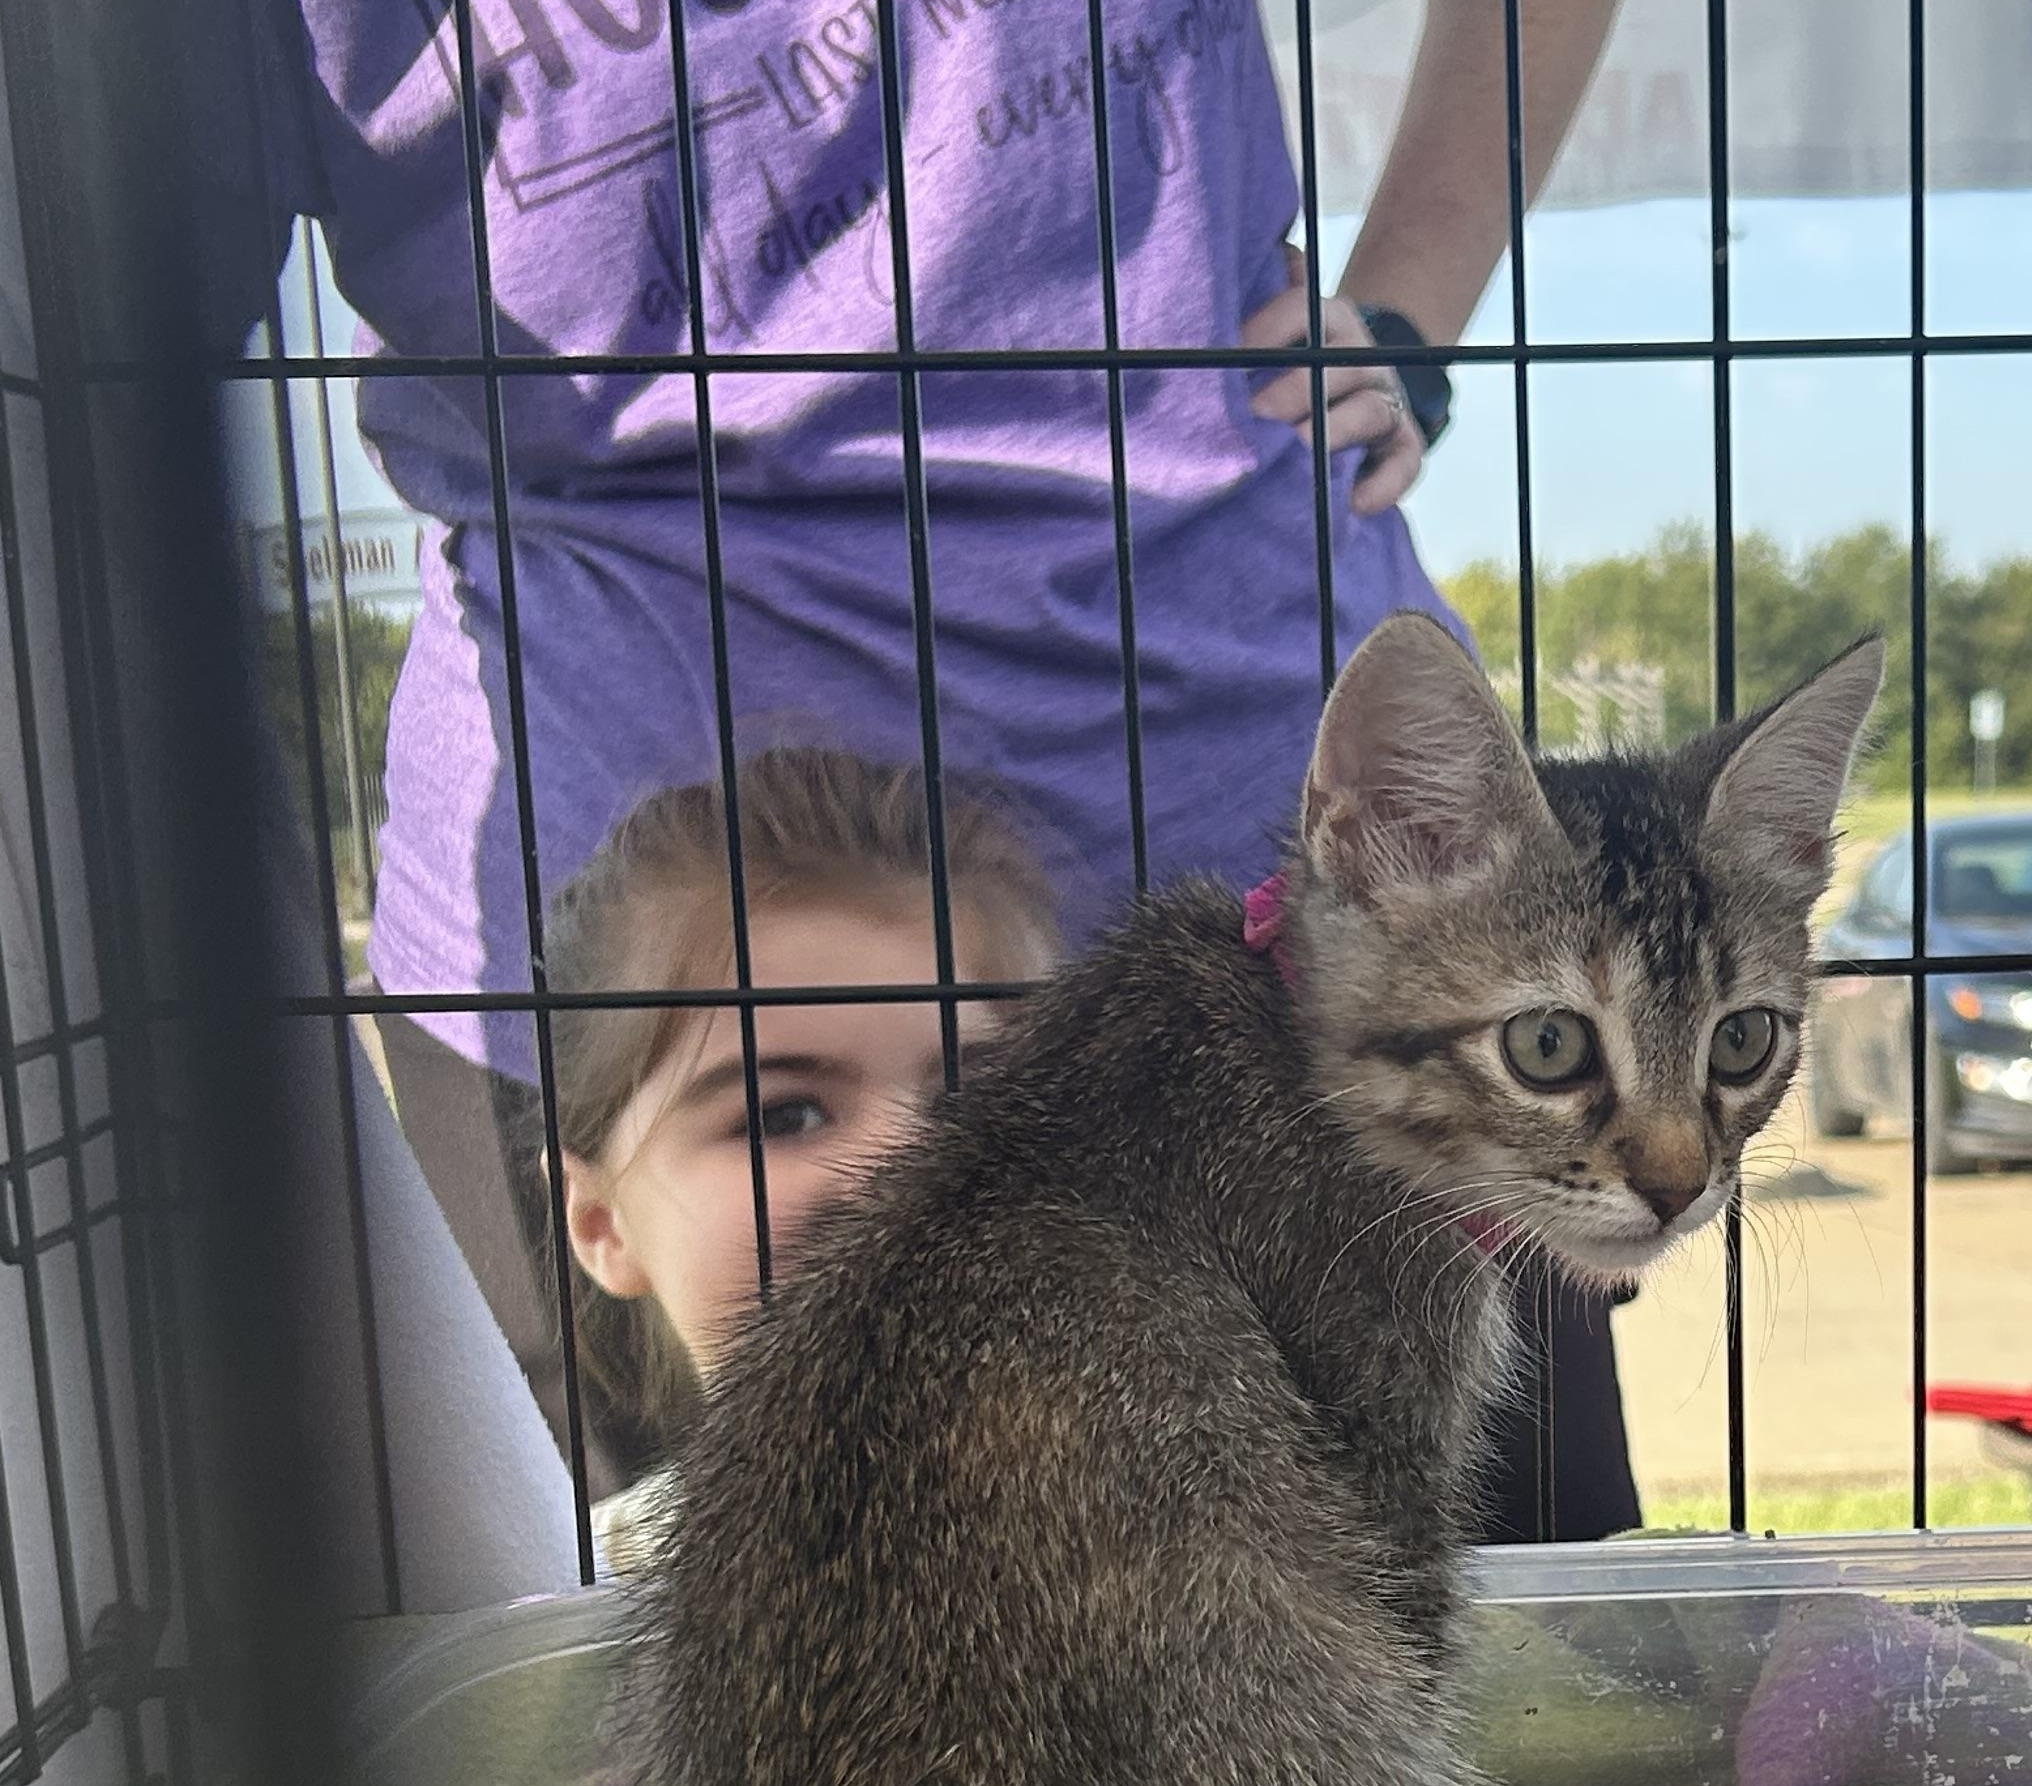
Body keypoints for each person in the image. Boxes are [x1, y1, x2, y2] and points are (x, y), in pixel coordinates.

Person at [204, 0, 1640, 1540]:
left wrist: (1412, 301)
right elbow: (85, 353)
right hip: (638, 951)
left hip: (1277, 885)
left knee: (1478, 1699)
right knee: (696, 1727)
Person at [532, 747, 1062, 1565]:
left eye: (971, 1098)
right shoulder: (578, 1598)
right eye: (784, 1115)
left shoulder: (1227, 1548)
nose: (909, 1164)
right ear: (602, 1223)